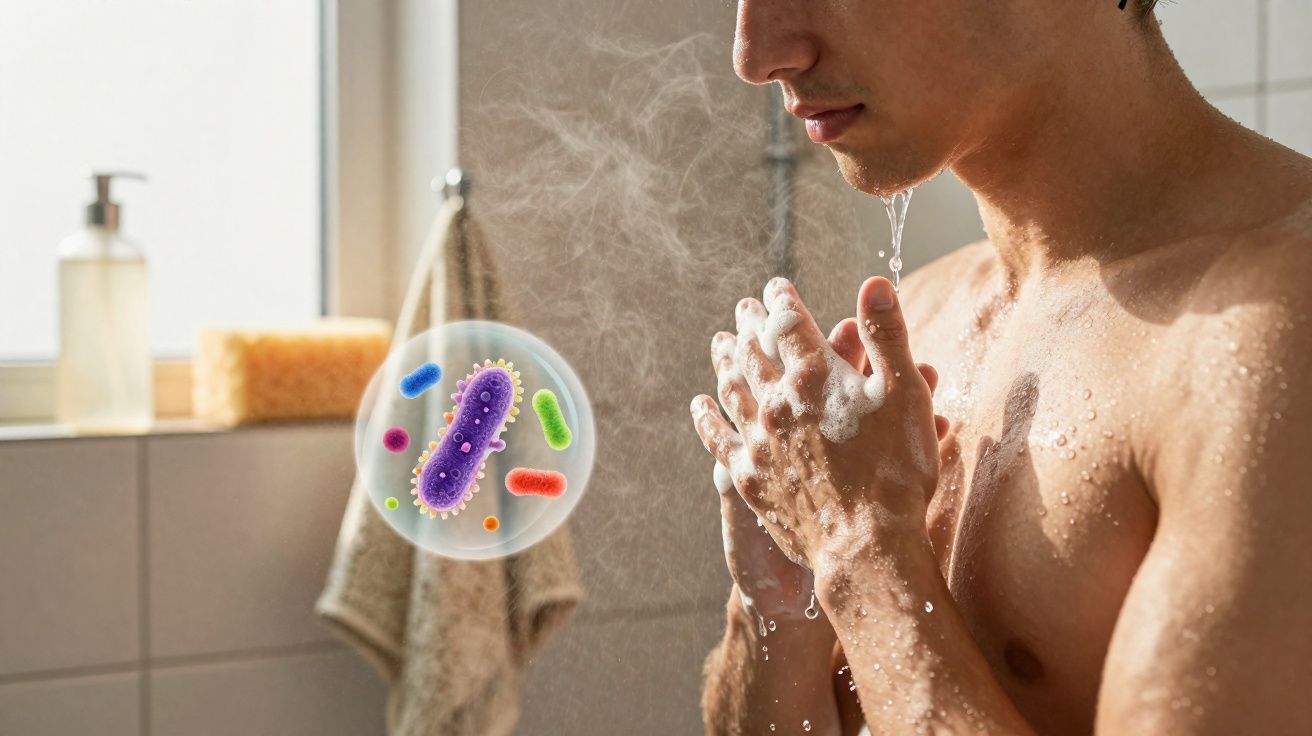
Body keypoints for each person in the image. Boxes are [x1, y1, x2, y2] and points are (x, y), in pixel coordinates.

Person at [689, 0, 1312, 733]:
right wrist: (779, 602)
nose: (758, 53)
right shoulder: (916, 313)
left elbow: (858, 553)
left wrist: (857, 550)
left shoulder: (1276, 334)